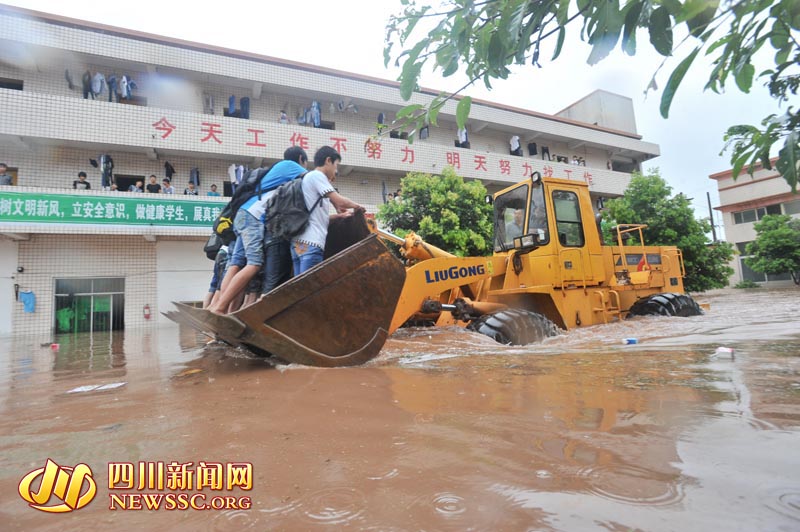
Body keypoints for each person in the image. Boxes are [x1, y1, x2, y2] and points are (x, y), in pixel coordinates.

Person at [209, 146, 309, 314]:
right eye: (305, 163)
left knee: (236, 264)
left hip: (243, 214)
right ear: (301, 159)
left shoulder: (276, 170)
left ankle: (216, 307)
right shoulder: (289, 165)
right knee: (254, 264)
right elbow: (314, 179)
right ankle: (219, 308)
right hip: (253, 217)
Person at [290, 145, 363, 275]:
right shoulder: (317, 175)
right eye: (336, 165)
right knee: (310, 289)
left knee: (300, 290)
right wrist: (357, 206)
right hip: (312, 243)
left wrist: (340, 217)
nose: (336, 170)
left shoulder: (307, 179)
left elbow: (317, 218)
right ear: (328, 161)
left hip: (299, 244)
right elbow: (339, 200)